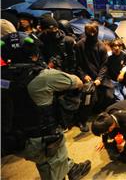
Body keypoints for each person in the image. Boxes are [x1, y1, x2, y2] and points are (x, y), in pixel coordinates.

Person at [1, 36, 91, 180]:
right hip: (41, 140)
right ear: (34, 54)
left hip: (12, 139)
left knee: (50, 157)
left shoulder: (2, 78)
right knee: (51, 163)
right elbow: (77, 82)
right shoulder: (44, 76)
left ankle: (71, 167)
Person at [75, 22, 114, 131]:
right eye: (89, 32)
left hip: (100, 77)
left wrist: (99, 79)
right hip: (87, 77)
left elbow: (104, 65)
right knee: (88, 97)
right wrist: (84, 76)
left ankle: (100, 113)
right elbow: (77, 64)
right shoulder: (79, 45)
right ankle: (82, 120)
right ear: (86, 32)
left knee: (109, 95)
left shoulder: (101, 46)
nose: (92, 35)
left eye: (94, 32)